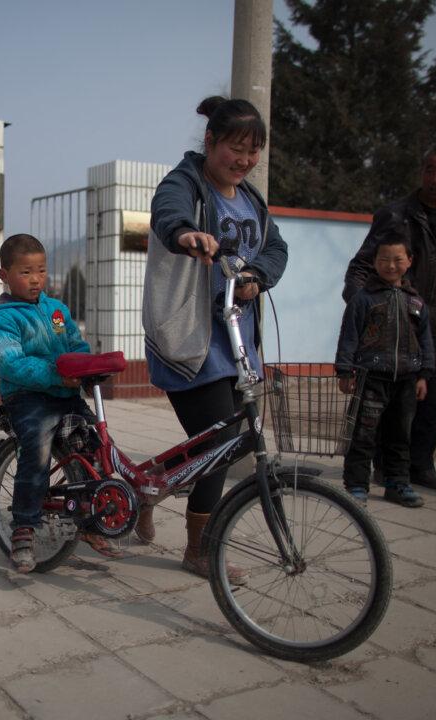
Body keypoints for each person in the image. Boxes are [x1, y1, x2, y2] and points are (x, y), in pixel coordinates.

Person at [142, 96, 288, 580]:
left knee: (225, 440)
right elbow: (168, 212)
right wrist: (186, 234)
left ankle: (151, 484)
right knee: (223, 441)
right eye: (236, 148)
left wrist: (258, 276)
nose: (244, 160)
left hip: (237, 343)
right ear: (211, 142)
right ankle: (199, 551)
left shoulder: (251, 199)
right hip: (191, 338)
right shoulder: (186, 183)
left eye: (254, 151)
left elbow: (275, 247)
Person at [0, 234, 121, 573]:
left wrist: (88, 368)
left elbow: (75, 344)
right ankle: (24, 529)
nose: (35, 280)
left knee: (97, 449)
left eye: (41, 271)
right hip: (28, 397)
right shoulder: (2, 319)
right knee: (38, 449)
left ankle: (90, 519)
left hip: (66, 394)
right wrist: (56, 374)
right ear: (5, 275)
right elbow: (9, 363)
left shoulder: (56, 310)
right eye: (26, 272)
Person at [343, 146, 436, 492]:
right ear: (421, 172)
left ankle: (421, 467)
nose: (435, 179)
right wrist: (366, 308)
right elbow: (360, 266)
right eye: (430, 170)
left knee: (426, 402)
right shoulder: (395, 215)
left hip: (432, 326)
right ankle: (384, 471)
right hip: (386, 329)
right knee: (382, 408)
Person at [336, 230, 434, 508]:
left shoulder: (416, 302)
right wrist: (345, 370)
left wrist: (424, 375)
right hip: (370, 378)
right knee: (362, 435)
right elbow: (349, 336)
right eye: (384, 260)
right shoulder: (363, 299)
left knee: (400, 436)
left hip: (406, 380)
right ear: (375, 262)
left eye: (397, 259)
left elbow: (426, 340)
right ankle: (355, 486)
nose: (391, 266)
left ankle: (398, 484)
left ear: (409, 261)